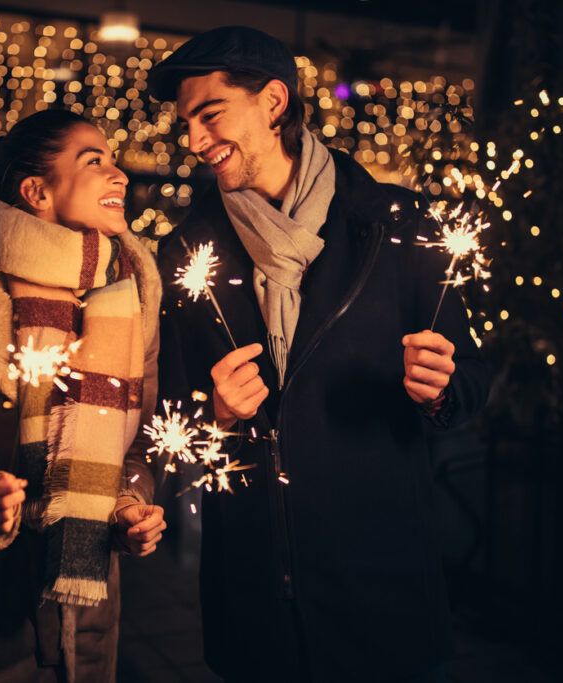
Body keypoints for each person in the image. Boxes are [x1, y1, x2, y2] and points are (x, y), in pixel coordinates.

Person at [147, 26, 490, 682]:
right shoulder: (187, 250)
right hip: (255, 613)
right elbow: (165, 428)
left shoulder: (397, 224)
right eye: (184, 122)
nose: (192, 140)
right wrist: (212, 415)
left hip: (383, 599)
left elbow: (474, 375)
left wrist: (444, 386)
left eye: (209, 114)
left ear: (274, 101)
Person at [0, 109, 166, 682]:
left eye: (114, 159)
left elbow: (137, 449)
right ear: (36, 190)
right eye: (94, 161)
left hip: (86, 605)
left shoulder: (129, 295)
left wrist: (131, 509)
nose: (119, 174)